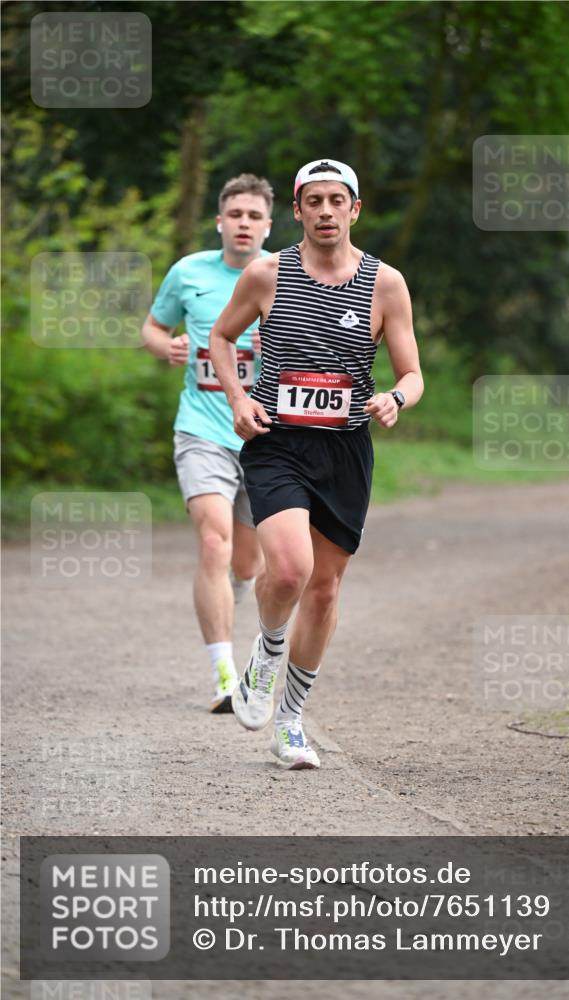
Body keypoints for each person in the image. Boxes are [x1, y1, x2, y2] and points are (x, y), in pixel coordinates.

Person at [209, 158, 423, 769]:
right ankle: (266, 650)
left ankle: (290, 721)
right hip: (277, 441)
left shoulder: (387, 284)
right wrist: (238, 397)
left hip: (346, 449)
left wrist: (396, 397)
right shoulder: (266, 273)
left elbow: (412, 372)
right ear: (297, 210)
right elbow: (221, 338)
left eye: (338, 201)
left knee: (325, 591)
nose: (326, 211)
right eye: (314, 201)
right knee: (287, 572)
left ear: (356, 210)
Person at [141, 174, 273, 712]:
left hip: (264, 437)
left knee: (247, 565)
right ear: (220, 221)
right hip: (201, 430)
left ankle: (233, 596)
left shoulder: (284, 274)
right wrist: (164, 346)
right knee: (213, 543)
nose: (243, 223)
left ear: (269, 225)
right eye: (235, 214)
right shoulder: (188, 272)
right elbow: (151, 327)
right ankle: (225, 676)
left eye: (254, 216)